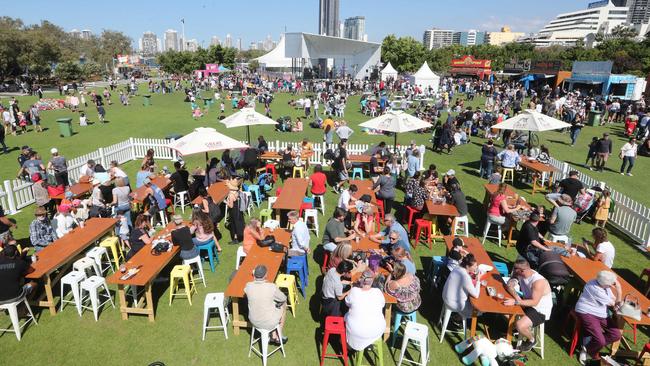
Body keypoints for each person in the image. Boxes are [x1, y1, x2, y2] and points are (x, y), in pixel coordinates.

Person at [504, 258, 553, 352]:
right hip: (526, 302)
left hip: (539, 310)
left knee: (520, 325)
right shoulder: (521, 273)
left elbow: (534, 302)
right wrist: (513, 282)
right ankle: (514, 329)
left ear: (522, 270)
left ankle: (531, 340)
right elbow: (510, 283)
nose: (513, 270)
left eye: (515, 268)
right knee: (503, 310)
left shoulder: (538, 282)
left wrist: (515, 302)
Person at [574, 270, 623, 364]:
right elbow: (615, 305)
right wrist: (619, 290)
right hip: (587, 312)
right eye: (612, 283)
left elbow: (613, 299)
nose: (613, 284)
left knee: (616, 335)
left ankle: (590, 345)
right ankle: (587, 350)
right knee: (600, 341)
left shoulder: (602, 284)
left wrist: (622, 303)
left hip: (600, 313)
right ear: (606, 284)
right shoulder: (596, 289)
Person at [244, 265, 289, 345]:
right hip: (269, 322)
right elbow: (283, 298)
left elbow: (248, 290)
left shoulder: (248, 286)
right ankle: (278, 335)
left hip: (253, 320)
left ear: (254, 275)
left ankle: (274, 335)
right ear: (266, 275)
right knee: (283, 305)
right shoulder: (271, 287)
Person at [345, 270, 386, 352]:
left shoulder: (354, 291)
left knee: (347, 315)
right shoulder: (378, 292)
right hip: (377, 329)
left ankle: (349, 346)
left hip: (357, 331)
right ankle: (367, 343)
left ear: (361, 279)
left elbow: (347, 303)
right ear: (372, 281)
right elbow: (382, 305)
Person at [442, 253, 481, 319]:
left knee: (469, 300)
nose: (476, 268)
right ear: (467, 266)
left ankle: (458, 316)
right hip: (454, 304)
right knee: (479, 310)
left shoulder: (457, 268)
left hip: (445, 297)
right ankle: (458, 319)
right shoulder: (465, 277)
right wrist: (478, 281)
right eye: (474, 266)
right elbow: (476, 295)